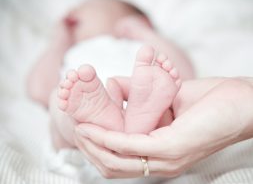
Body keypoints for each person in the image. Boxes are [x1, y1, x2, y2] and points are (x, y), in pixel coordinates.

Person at [27, 0, 194, 148]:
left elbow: (185, 76)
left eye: (86, 7)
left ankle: (138, 121)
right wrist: (60, 40)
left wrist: (144, 33)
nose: (71, 13)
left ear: (138, 20)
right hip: (82, 149)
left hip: (154, 148)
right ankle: (102, 122)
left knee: (169, 100)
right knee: (58, 101)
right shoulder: (70, 52)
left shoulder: (141, 47)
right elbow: (39, 90)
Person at [74, 76, 253, 179]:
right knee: (69, 111)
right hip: (101, 91)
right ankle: (125, 121)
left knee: (69, 115)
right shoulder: (74, 47)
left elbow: (181, 71)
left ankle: (120, 124)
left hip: (129, 88)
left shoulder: (143, 40)